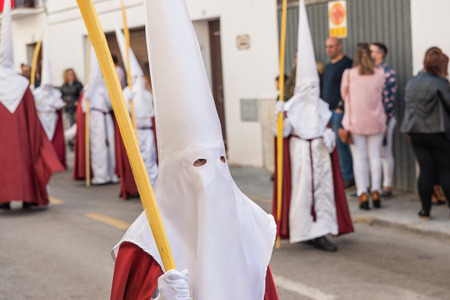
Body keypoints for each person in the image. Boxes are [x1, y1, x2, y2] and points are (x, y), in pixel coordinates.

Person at [110, 0, 279, 298]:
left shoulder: (251, 228)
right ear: (174, 171)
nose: (212, 172)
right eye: (198, 162)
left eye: (221, 160)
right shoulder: (145, 246)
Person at [272, 0, 353, 252]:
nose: (310, 92)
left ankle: (321, 231)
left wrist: (328, 136)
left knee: (323, 194)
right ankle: (305, 230)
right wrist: (281, 119)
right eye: (306, 87)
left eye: (313, 87)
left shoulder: (320, 105)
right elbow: (281, 134)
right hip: (299, 154)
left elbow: (326, 124)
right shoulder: (291, 105)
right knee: (303, 193)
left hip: (319, 154)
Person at [0, 0, 64, 210]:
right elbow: (32, 121)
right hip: (22, 140)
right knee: (23, 163)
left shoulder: (22, 85)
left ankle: (4, 199)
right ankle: (28, 197)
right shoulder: (22, 85)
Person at [400, 47, 450, 220]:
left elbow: (409, 108)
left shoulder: (412, 82)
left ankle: (425, 210)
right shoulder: (440, 83)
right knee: (446, 171)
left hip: (415, 132)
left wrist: (408, 129)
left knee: (426, 170)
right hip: (437, 132)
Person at [114, 24, 158, 198]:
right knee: (141, 161)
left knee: (150, 159)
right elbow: (121, 109)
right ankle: (145, 188)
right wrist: (126, 98)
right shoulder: (128, 92)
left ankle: (154, 187)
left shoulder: (149, 90)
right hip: (136, 131)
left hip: (147, 129)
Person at [341, 43, 386, 210]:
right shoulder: (380, 74)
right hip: (376, 120)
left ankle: (363, 193)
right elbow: (381, 92)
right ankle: (375, 190)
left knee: (359, 158)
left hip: (356, 121)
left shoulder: (349, 74)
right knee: (375, 157)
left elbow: (344, 95)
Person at [80, 45, 119, 185]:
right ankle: (100, 175)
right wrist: (88, 95)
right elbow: (85, 107)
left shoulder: (105, 86)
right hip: (96, 116)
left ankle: (111, 173)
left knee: (111, 145)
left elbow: (111, 104)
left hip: (106, 116)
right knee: (98, 145)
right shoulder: (88, 89)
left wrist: (105, 95)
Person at [322, 37, 354, 189]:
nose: (329, 50)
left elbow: (350, 88)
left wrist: (341, 106)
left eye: (332, 47)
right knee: (330, 145)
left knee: (341, 145)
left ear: (339, 46)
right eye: (327, 47)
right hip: (326, 112)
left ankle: (348, 177)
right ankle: (337, 175)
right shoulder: (328, 67)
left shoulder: (347, 64)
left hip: (339, 112)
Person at [32, 36, 66, 169]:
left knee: (54, 140)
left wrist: (52, 103)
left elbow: (59, 104)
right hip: (42, 118)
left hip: (53, 118)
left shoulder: (55, 93)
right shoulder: (37, 93)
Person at [370, 42, 398, 198]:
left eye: (372, 51)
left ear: (380, 54)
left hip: (384, 118)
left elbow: (388, 100)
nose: (369, 54)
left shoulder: (388, 73)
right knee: (372, 154)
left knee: (384, 153)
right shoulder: (368, 72)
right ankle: (373, 187)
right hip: (370, 119)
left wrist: (385, 122)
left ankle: (387, 186)